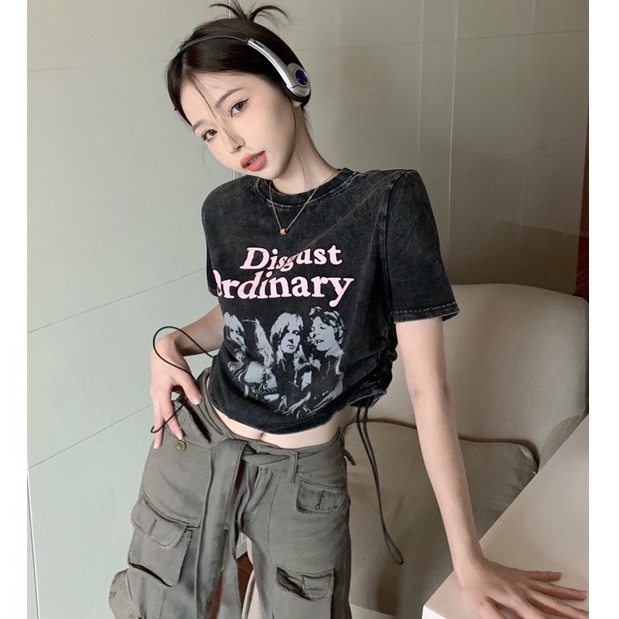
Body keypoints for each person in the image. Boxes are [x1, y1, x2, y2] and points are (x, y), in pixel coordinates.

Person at [108, 3, 589, 618]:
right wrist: (168, 343)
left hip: (303, 475)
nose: (229, 142)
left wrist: (468, 559)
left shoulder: (386, 202)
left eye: (237, 106)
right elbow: (238, 314)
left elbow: (429, 390)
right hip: (197, 441)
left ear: (291, 81)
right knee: (154, 609)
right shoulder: (224, 210)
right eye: (206, 131)